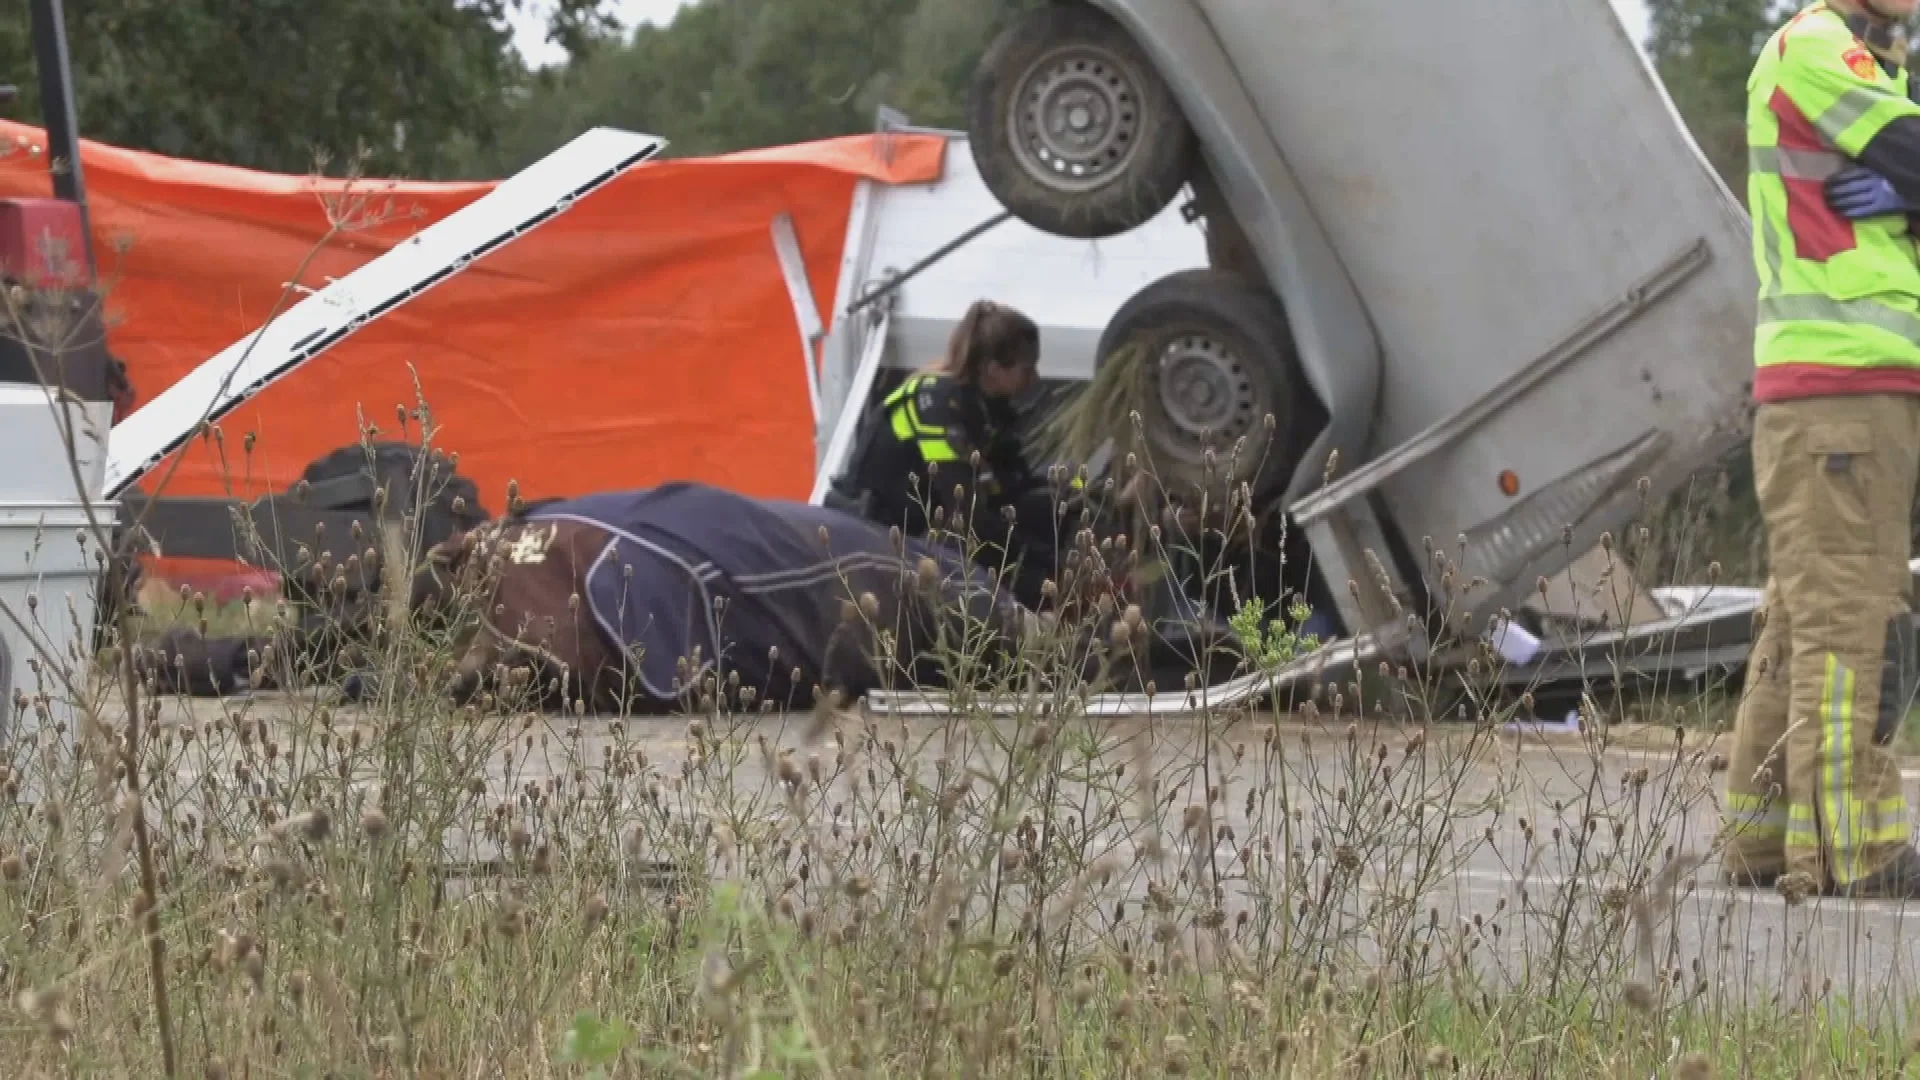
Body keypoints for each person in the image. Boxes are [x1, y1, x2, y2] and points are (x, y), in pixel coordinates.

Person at [1725, 0, 1920, 898]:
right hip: (1842, 386)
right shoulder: (1816, 49)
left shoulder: (1870, 62)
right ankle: (1855, 850)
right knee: (1850, 616)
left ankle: (1761, 840)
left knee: (1808, 615)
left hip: (1843, 384)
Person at [827, 299, 1056, 607]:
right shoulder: (937, 401)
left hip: (911, 543)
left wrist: (1077, 501)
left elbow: (1012, 489)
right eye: (1026, 369)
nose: (1035, 379)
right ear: (993, 369)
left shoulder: (988, 411)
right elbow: (967, 511)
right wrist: (1039, 571)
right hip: (864, 543)